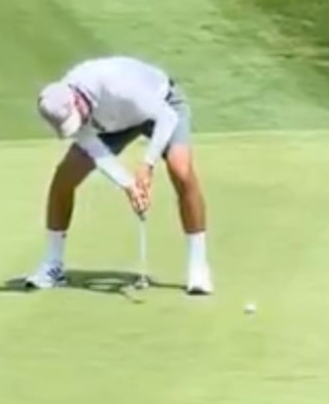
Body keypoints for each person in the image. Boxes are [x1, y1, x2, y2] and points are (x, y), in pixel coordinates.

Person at [25, 55, 213, 295]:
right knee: (65, 177)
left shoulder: (117, 86)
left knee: (181, 169)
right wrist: (129, 185)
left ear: (77, 102)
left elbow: (167, 117)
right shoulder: (61, 102)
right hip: (109, 124)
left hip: (163, 106)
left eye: (75, 119)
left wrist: (147, 164)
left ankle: (198, 268)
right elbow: (95, 150)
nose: (75, 125)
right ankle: (52, 266)